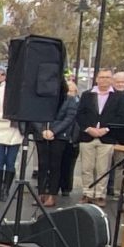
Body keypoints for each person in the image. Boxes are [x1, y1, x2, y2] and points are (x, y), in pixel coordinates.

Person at [75, 68, 122, 206]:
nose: (104, 80)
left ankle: (100, 195)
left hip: (106, 138)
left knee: (103, 168)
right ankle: (87, 193)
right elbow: (79, 114)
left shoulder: (118, 97)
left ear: (111, 79)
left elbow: (119, 117)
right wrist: (89, 128)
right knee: (86, 167)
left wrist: (105, 129)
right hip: (87, 136)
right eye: (102, 77)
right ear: (96, 79)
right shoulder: (87, 95)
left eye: (107, 77)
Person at [34, 78, 80, 207]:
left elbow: (69, 118)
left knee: (55, 165)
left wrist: (54, 131)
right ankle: (41, 193)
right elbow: (34, 115)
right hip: (42, 134)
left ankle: (52, 194)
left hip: (59, 136)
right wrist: (42, 130)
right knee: (42, 164)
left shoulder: (69, 100)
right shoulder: (41, 99)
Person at [0, 65, 23, 202]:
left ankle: (6, 189)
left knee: (11, 162)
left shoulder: (20, 93)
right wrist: (8, 116)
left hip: (15, 132)